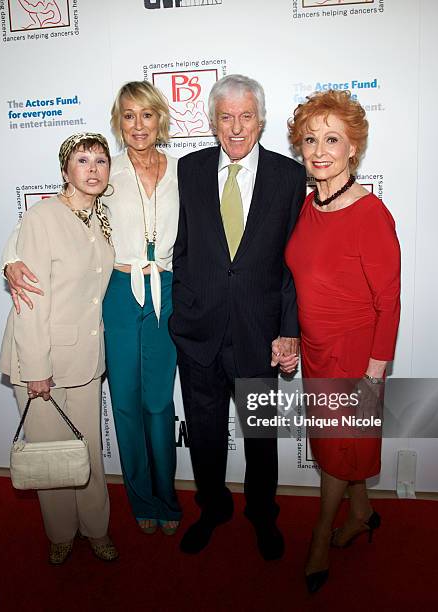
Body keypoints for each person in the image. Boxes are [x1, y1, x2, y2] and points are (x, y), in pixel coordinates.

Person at [2, 82, 182, 536]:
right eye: (127, 116)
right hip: (119, 292)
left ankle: (167, 496)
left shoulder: (186, 170)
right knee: (123, 403)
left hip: (167, 287)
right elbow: (47, 217)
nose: (137, 125)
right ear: (117, 123)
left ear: (160, 119)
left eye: (146, 115)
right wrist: (10, 259)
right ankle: (141, 499)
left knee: (159, 403)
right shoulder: (105, 170)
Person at [170, 74, 306, 560]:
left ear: (261, 120)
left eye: (245, 116)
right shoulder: (187, 170)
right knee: (205, 437)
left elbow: (294, 263)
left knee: (261, 437)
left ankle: (262, 514)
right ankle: (211, 509)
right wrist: (184, 302)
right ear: (211, 122)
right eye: (225, 117)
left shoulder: (289, 177)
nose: (235, 127)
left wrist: (288, 330)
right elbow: (179, 247)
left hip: (258, 334)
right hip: (198, 333)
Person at [285, 90, 401, 592]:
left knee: (334, 450)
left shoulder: (370, 213)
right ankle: (362, 513)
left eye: (332, 138)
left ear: (354, 147)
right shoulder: (310, 204)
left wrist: (374, 373)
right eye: (310, 139)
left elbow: (389, 303)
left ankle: (319, 536)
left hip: (354, 356)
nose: (319, 149)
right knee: (341, 445)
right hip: (315, 349)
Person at [0, 133, 119, 565]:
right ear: (65, 170)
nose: (92, 168)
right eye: (82, 160)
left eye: (101, 161)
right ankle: (61, 533)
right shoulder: (42, 216)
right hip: (41, 357)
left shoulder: (101, 217)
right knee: (52, 457)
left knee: (86, 452)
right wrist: (35, 368)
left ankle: (97, 529)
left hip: (86, 358)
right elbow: (29, 300)